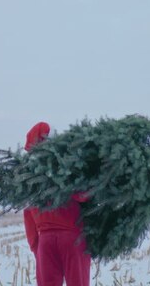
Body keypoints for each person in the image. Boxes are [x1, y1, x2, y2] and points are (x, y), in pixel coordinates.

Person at [22, 122, 92, 286]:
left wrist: (37, 248)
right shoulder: (66, 169)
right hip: (72, 239)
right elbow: (84, 196)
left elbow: (28, 217)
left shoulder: (30, 179)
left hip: (45, 241)